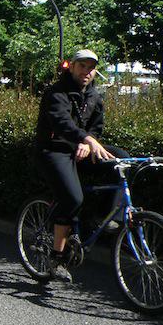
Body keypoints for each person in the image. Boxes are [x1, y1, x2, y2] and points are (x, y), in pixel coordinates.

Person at [34, 49, 124, 283]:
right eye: (82, 66)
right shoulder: (56, 92)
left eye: (91, 68)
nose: (86, 71)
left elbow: (96, 127)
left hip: (79, 149)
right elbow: (61, 123)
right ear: (72, 66)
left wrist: (87, 140)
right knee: (72, 199)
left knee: (121, 161)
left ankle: (102, 217)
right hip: (53, 150)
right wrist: (84, 139)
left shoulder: (94, 96)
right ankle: (57, 258)